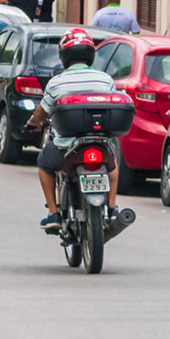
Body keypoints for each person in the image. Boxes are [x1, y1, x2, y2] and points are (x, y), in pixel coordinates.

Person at [27, 27, 124, 227]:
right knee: (112, 163)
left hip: (66, 147)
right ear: (90, 55)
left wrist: (33, 123)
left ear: (64, 56)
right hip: (99, 142)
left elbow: (41, 112)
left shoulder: (56, 83)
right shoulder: (105, 79)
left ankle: (54, 214)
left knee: (44, 164)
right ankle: (112, 207)